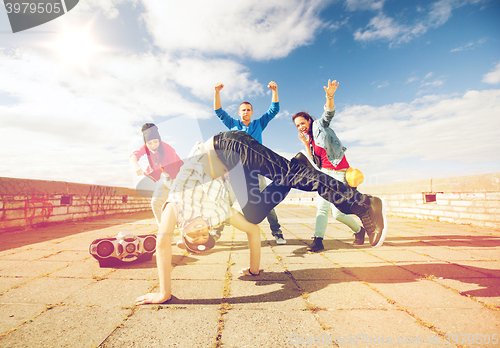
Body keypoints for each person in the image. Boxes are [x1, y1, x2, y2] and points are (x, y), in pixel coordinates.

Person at [135, 129, 387, 305]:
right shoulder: (217, 214)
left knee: (287, 174)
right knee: (254, 214)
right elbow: (252, 231)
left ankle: (362, 203)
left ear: (183, 233)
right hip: (232, 167)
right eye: (205, 233)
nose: (200, 229)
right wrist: (254, 269)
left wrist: (164, 292)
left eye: (194, 235)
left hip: (226, 145)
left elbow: (161, 244)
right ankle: (300, 164)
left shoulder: (175, 206)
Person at [293, 80, 367, 252]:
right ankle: (318, 240)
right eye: (297, 126)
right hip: (325, 173)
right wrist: (305, 143)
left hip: (339, 171)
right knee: (324, 208)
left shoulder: (320, 125)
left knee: (338, 213)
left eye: (302, 123)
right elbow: (314, 161)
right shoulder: (310, 140)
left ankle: (359, 230)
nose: (301, 127)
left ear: (309, 120)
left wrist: (330, 96)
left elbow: (328, 113)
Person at [213, 81, 286, 245]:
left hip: (256, 169)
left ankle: (277, 232)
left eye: (248, 110)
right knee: (227, 201)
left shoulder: (258, 124)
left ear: (252, 112)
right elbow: (218, 111)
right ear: (239, 113)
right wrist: (217, 92)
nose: (246, 112)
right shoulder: (233, 125)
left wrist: (275, 90)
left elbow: (274, 110)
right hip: (237, 170)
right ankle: (216, 232)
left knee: (266, 202)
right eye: (243, 110)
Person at [129, 123, 184, 230]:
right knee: (155, 203)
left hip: (178, 177)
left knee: (177, 204)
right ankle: (165, 232)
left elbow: (174, 172)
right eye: (149, 143)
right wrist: (136, 167)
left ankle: (185, 231)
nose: (153, 145)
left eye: (156, 142)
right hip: (164, 177)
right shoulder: (145, 147)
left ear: (159, 140)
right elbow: (133, 155)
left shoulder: (168, 149)